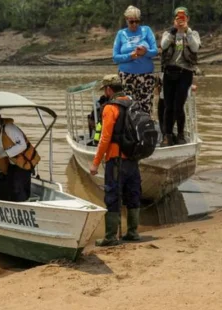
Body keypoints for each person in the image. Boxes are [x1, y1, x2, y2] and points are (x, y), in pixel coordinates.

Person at [89, 74, 143, 246]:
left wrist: (95, 163)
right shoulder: (133, 103)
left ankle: (111, 236)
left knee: (113, 196)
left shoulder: (109, 108)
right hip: (133, 158)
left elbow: (105, 139)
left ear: (108, 89)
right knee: (133, 194)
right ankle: (133, 232)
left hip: (115, 159)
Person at [159, 7, 201, 146]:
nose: (181, 20)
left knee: (179, 105)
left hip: (185, 73)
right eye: (178, 17)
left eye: (183, 17)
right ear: (174, 19)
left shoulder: (193, 33)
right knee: (168, 106)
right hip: (169, 72)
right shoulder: (168, 33)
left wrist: (187, 31)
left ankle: (181, 134)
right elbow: (163, 45)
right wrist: (174, 31)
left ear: (187, 19)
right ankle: (168, 135)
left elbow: (195, 48)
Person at [0, 107, 40, 202]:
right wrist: (0, 156)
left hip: (23, 163)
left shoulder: (9, 128)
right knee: (9, 186)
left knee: (18, 189)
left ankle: (22, 207)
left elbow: (22, 145)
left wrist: (5, 153)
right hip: (12, 163)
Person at [112, 5, 158, 116]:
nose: (134, 24)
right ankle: (129, 131)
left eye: (137, 21)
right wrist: (129, 56)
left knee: (145, 106)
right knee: (128, 106)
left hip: (146, 76)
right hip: (127, 76)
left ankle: (145, 129)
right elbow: (115, 57)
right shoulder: (121, 34)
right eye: (131, 22)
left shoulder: (146, 30)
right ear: (126, 20)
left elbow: (155, 51)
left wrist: (145, 52)